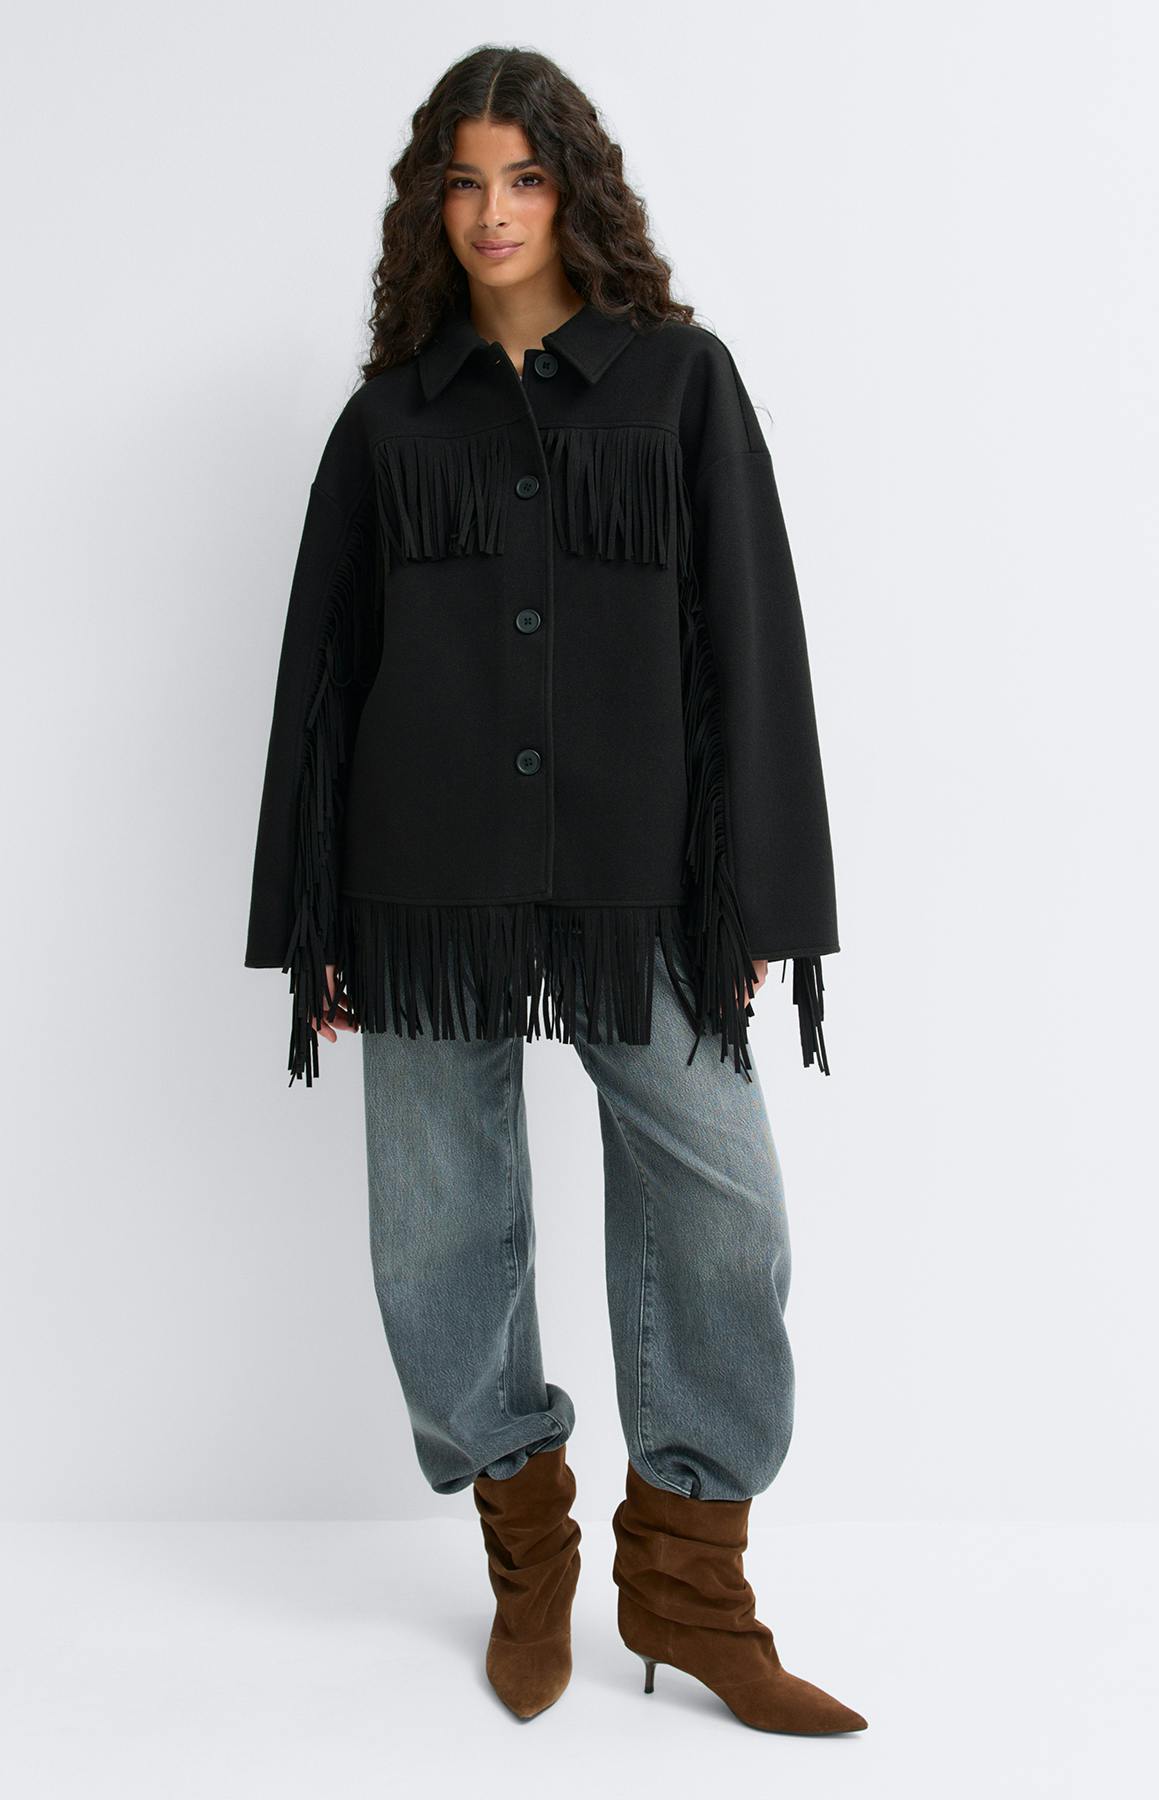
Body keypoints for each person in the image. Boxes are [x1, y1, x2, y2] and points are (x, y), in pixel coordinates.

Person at [244, 44, 865, 1735]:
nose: (495, 211)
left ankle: (690, 1591)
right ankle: (527, 1553)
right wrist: (316, 924)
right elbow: (325, 678)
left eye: (523, 177)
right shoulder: (389, 419)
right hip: (422, 885)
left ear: (573, 190)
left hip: (637, 881)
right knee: (437, 1233)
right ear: (430, 207)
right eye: (465, 181)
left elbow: (749, 639)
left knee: (725, 1207)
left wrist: (749, 895)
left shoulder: (680, 383)